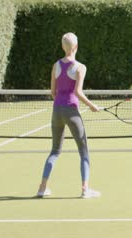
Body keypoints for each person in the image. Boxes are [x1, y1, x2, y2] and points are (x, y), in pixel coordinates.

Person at [36, 32, 101, 199]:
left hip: (56, 110)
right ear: (76, 47)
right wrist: (92, 106)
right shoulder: (80, 67)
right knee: (84, 152)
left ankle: (42, 188)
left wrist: (61, 102)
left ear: (63, 47)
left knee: (55, 151)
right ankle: (85, 189)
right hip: (71, 111)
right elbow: (78, 92)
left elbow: (52, 92)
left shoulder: (55, 65)